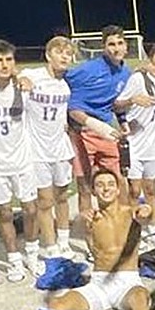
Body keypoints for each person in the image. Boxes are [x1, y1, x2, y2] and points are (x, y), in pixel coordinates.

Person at [0, 169, 155, 310]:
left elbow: (147, 214)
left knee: (140, 297)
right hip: (99, 285)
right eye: (100, 185)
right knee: (58, 304)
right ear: (94, 192)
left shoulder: (131, 212)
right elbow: (79, 227)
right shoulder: (89, 219)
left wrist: (146, 210)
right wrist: (82, 220)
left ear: (118, 188)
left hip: (127, 282)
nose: (106, 188)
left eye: (110, 184)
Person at [0, 39, 39, 283]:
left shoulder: (23, 86)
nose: (4, 65)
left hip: (22, 160)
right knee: (4, 212)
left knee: (31, 209)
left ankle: (32, 254)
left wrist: (22, 78)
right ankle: (13, 259)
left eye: (9, 59)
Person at [66, 25, 133, 243]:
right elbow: (61, 80)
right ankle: (90, 237)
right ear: (103, 47)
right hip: (82, 131)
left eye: (120, 43)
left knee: (119, 181)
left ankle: (122, 229)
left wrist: (122, 122)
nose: (116, 48)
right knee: (85, 186)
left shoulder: (126, 71)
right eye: (111, 44)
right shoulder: (87, 69)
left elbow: (115, 103)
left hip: (107, 133)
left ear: (126, 45)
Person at [22, 36, 76, 264]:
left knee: (62, 196)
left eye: (68, 53)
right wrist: (21, 78)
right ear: (48, 54)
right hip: (38, 150)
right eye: (60, 52)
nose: (64, 57)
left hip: (60, 148)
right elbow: (19, 76)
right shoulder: (34, 75)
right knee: (45, 201)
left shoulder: (65, 84)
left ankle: (64, 241)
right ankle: (50, 244)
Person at [117, 43, 155, 224]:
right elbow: (117, 104)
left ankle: (154, 226)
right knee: (134, 190)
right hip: (135, 144)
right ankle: (134, 228)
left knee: (150, 189)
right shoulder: (138, 79)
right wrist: (132, 99)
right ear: (151, 60)